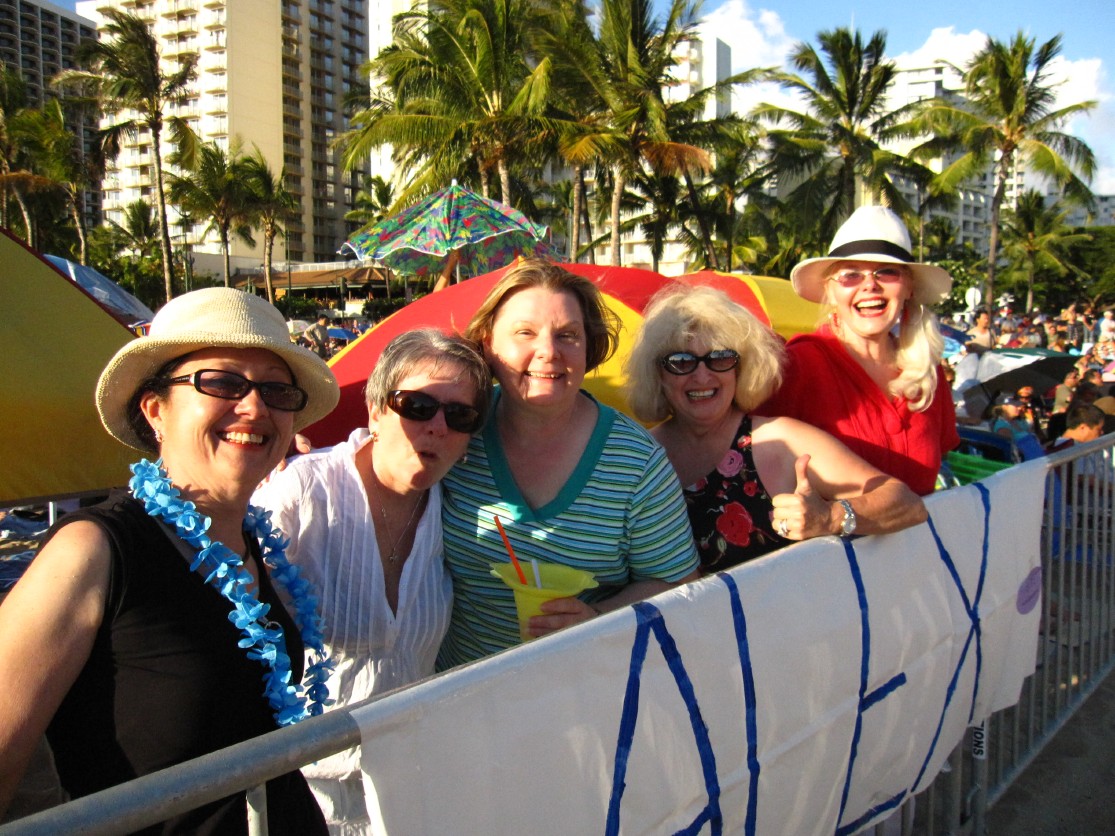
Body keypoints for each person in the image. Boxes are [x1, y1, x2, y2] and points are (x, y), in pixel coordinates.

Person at [0, 288, 340, 832]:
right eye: (223, 382)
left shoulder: (255, 549)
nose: (254, 407)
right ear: (156, 409)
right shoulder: (95, 550)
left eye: (276, 391)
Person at [252, 329, 492, 834]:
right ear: (377, 410)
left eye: (460, 415)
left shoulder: (459, 510)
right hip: (301, 790)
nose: (438, 428)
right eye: (418, 406)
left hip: (409, 785)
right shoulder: (301, 490)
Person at [437, 260, 700, 669]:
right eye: (525, 332)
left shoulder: (635, 462)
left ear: (588, 349)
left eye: (568, 336)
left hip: (589, 690)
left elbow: (676, 581)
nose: (549, 351)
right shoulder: (455, 426)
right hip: (459, 690)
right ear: (488, 343)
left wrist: (598, 618)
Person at [624, 285, 927, 573]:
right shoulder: (638, 455)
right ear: (658, 374)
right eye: (681, 362)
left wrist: (831, 518)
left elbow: (907, 503)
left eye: (720, 358)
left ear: (741, 367)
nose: (702, 376)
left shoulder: (781, 441)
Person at [760, 206, 960, 496]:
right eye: (851, 275)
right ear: (830, 291)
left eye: (887, 273)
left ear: (909, 288)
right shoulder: (798, 365)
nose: (869, 286)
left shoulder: (928, 370)